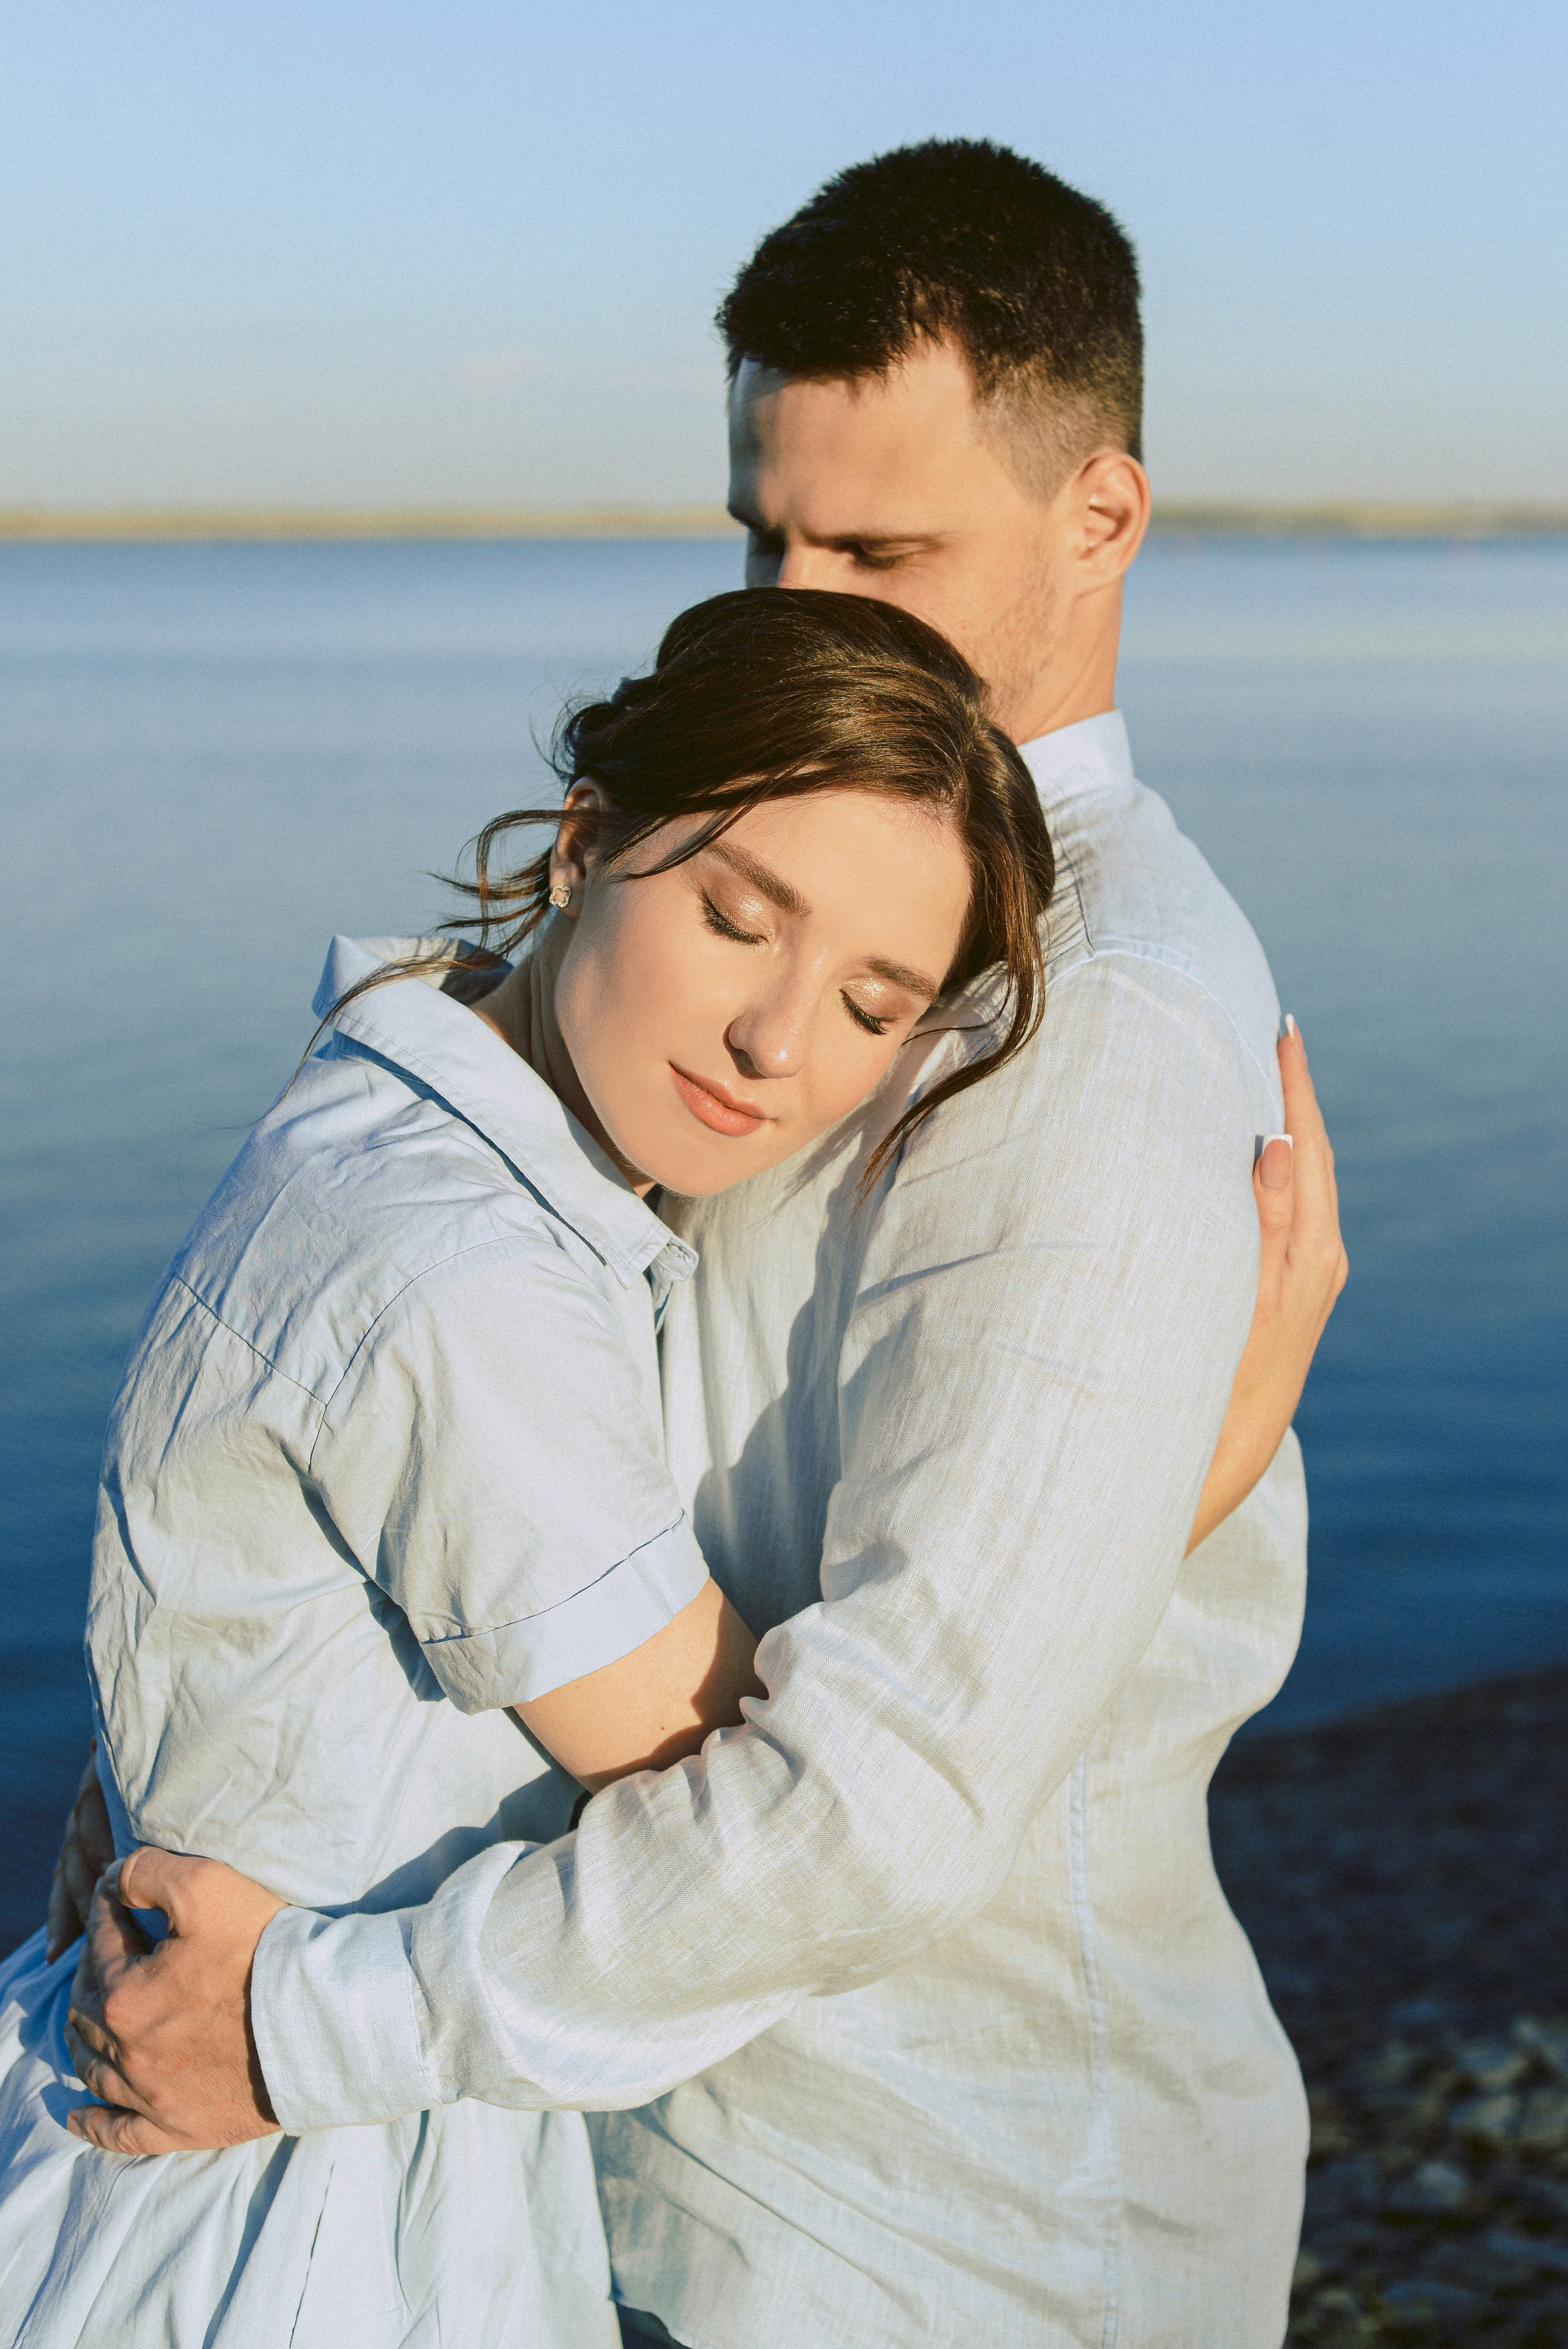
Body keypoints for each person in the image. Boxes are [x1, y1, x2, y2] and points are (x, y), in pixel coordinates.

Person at [51, 144, 1347, 2349]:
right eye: (767, 533)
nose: (799, 606)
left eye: (883, 549)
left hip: (931, 2227)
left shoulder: (1084, 1016)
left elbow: (900, 1780)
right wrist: (216, 1748)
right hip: (635, 2163)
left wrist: (299, 2022)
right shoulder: (817, 869)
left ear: (1100, 521)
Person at [0, 588, 1083, 2344]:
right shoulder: (462, 1271)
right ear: (588, 839)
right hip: (290, 2221)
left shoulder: (397, 1104)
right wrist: (1150, 1486)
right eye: (738, 917)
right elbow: (759, 1821)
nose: (778, 1042)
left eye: (876, 1000)